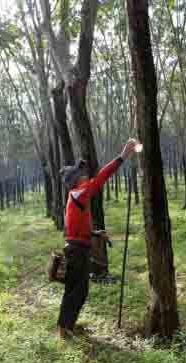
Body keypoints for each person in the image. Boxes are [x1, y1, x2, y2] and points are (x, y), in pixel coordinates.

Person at [57, 138, 139, 339]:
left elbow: (73, 228)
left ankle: (67, 326)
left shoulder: (76, 197)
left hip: (78, 247)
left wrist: (94, 234)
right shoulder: (78, 193)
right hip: (77, 251)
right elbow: (101, 178)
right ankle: (63, 329)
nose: (85, 174)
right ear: (74, 180)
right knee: (77, 290)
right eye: (80, 173)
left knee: (76, 289)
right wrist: (123, 156)